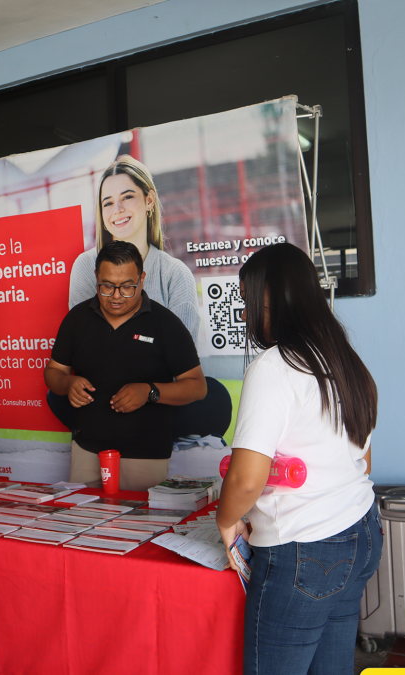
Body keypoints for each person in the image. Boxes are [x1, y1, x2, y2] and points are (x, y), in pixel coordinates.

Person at [215, 243, 382, 675]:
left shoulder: (275, 366)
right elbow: (363, 459)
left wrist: (226, 520)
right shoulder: (344, 358)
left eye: (247, 301)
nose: (247, 312)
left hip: (306, 551)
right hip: (361, 530)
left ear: (267, 300)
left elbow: (246, 480)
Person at [57, 155, 231, 440]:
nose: (118, 209)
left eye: (128, 197)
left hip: (154, 396)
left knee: (216, 398)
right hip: (104, 395)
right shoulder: (85, 266)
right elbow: (84, 348)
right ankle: (125, 427)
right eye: (108, 202)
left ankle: (120, 429)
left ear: (149, 200)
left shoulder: (175, 273)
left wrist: (145, 390)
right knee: (58, 396)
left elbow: (180, 365)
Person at [44, 241, 207, 490]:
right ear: (96, 278)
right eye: (107, 286)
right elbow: (54, 372)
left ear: (142, 279)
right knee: (84, 521)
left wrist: (149, 392)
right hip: (87, 449)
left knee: (142, 526)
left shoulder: (165, 324)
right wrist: (67, 383)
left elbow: (197, 386)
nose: (117, 296)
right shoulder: (77, 319)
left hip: (145, 454)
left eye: (127, 287)